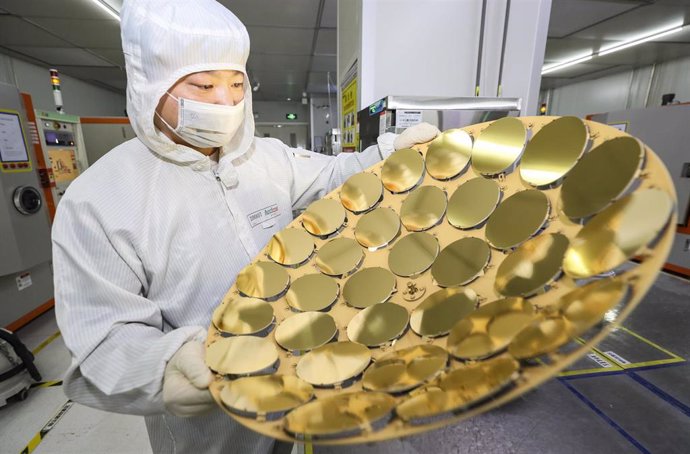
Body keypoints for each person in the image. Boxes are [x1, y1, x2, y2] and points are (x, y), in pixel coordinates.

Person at [52, 0, 439, 453]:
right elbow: (105, 330)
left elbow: (334, 178)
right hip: (209, 417)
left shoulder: (264, 158)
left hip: (293, 377)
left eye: (236, 83)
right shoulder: (100, 198)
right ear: (149, 86)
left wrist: (386, 156)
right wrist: (163, 366)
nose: (226, 101)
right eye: (204, 84)